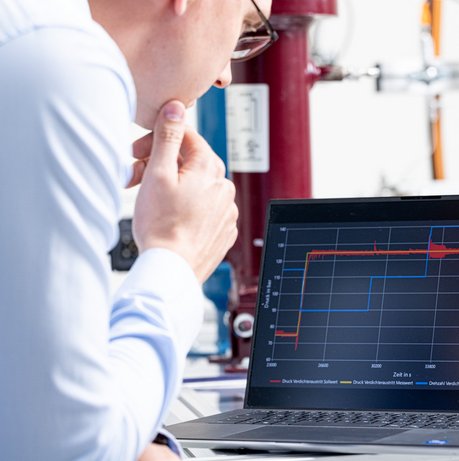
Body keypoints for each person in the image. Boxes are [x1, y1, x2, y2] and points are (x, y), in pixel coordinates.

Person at [0, 0, 273, 459]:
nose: (225, 75)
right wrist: (176, 258)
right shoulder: (60, 61)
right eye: (244, 26)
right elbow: (68, 445)